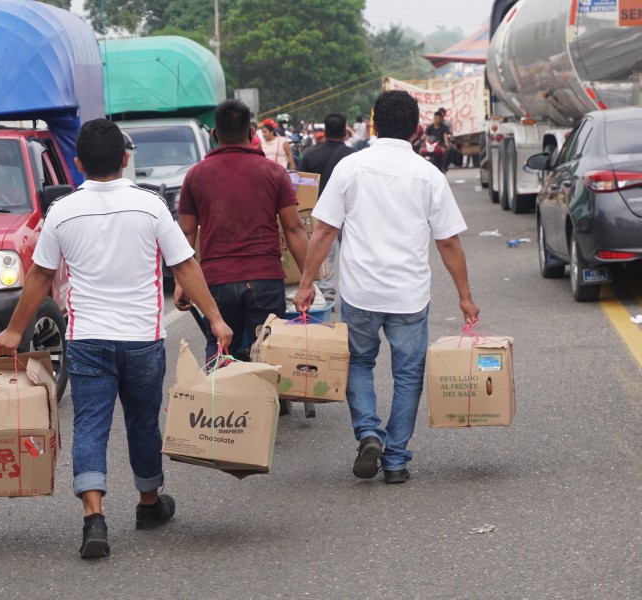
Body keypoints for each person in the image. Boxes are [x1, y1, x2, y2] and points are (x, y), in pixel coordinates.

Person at [0, 118, 232, 560]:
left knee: (90, 426)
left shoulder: (61, 210)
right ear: (125, 158)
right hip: (142, 338)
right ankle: (148, 504)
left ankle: (94, 517)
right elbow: (185, 265)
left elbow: (40, 276)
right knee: (142, 423)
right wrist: (215, 319)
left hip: (88, 341)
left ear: (78, 163)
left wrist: (13, 330)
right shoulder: (151, 206)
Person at [293, 91, 479, 484]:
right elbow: (448, 242)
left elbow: (325, 229)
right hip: (409, 295)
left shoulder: (350, 167)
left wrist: (307, 283)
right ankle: (395, 460)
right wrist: (464, 296)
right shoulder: (429, 174)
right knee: (408, 374)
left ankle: (368, 432)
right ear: (415, 129)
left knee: (358, 362)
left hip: (360, 291)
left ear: (374, 124)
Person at [174, 99, 309, 364]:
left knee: (220, 346)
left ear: (214, 135)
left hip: (216, 281)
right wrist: (307, 281)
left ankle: (219, 402)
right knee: (267, 351)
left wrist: (182, 283)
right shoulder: (274, 172)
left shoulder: (195, 175)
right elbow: (294, 228)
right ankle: (268, 402)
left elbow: (186, 233)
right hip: (265, 279)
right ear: (252, 133)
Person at [297, 113, 356, 302]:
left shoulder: (310, 155)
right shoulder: (354, 157)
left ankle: (327, 290)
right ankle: (353, 290)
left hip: (320, 213)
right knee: (352, 253)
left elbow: (302, 186)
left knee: (325, 253)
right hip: (350, 212)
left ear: (325, 131)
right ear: (345, 131)